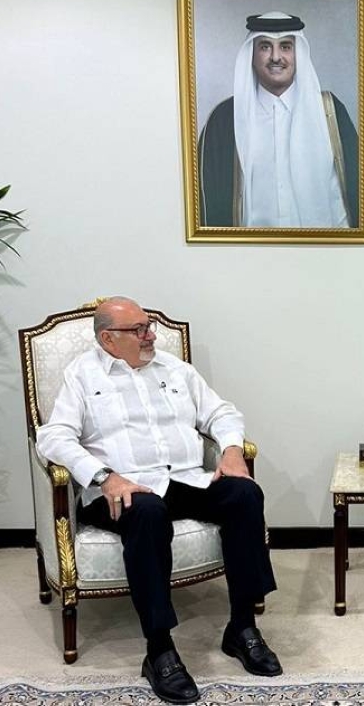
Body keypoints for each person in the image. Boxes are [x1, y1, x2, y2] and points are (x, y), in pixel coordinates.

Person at [36, 297, 281, 704]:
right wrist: (104, 476)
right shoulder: (82, 375)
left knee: (244, 493)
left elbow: (221, 413)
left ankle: (241, 628)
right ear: (108, 339)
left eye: (148, 325)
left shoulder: (175, 369)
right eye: (139, 329)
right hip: (121, 490)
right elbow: (54, 437)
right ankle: (160, 649)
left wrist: (232, 450)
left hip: (183, 478)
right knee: (148, 512)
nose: (150, 335)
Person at [198, 11, 359, 229]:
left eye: (285, 46)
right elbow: (208, 206)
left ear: (298, 53)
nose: (275, 57)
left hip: (323, 247)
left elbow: (359, 189)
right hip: (250, 249)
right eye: (265, 47)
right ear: (251, 55)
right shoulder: (224, 120)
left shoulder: (330, 112)